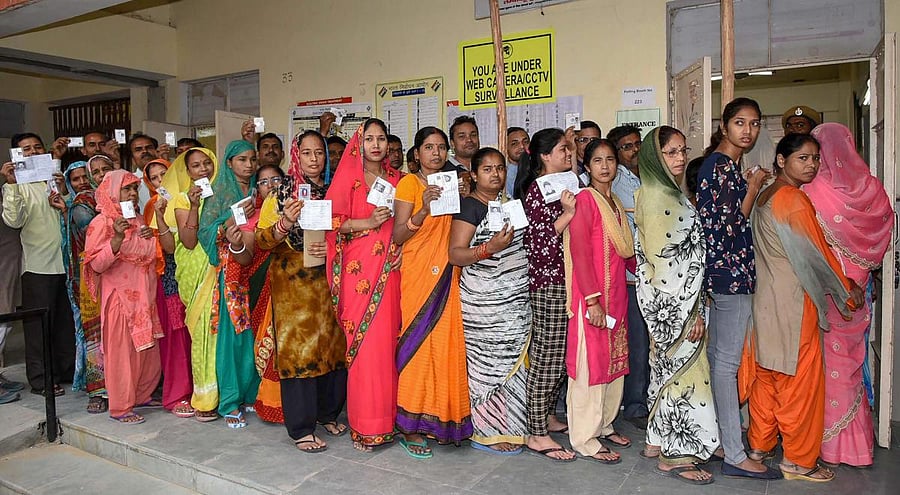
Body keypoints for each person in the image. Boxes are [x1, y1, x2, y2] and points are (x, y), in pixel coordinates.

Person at [742, 133, 864, 482]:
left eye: (815, 159)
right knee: (799, 384)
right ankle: (797, 460)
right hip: (793, 303)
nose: (811, 165)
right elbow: (817, 255)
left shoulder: (764, 193)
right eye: (802, 158)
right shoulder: (793, 199)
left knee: (767, 378)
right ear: (781, 161)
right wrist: (846, 289)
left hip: (763, 300)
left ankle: (758, 447)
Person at [697, 97, 780, 480]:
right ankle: (734, 452)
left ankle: (717, 439)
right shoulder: (721, 166)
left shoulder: (725, 166)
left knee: (719, 364)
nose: (748, 131)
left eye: (755, 124)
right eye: (740, 123)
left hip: (725, 276)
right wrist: (756, 185)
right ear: (725, 125)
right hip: (731, 277)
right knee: (727, 365)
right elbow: (732, 224)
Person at [804, 123, 893, 468]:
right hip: (858, 294)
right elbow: (883, 237)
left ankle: (829, 447)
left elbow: (807, 242)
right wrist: (858, 272)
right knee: (851, 369)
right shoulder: (874, 190)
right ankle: (856, 448)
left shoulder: (815, 189)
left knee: (828, 367)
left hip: (826, 291)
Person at [635, 126, 719, 484]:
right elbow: (668, 265)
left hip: (668, 304)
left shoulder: (664, 191)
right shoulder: (659, 197)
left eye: (683, 150)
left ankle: (656, 439)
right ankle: (676, 454)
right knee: (685, 377)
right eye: (670, 152)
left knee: (664, 370)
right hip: (677, 306)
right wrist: (692, 313)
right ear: (655, 156)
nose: (681, 157)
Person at [255, 131, 348, 450]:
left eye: (318, 153)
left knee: (332, 348)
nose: (313, 159)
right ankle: (301, 427)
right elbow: (262, 239)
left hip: (329, 280)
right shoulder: (281, 190)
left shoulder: (334, 189)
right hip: (293, 283)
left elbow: (345, 226)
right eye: (306, 153)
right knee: (300, 353)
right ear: (296, 156)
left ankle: (327, 413)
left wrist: (334, 243)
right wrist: (284, 222)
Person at [392, 127, 472, 458]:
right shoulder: (408, 184)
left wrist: (466, 196)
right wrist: (423, 209)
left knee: (447, 345)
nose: (436, 153)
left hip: (448, 273)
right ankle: (410, 426)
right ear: (417, 154)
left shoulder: (454, 181)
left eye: (441, 147)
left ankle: (444, 420)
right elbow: (397, 236)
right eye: (429, 147)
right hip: (419, 276)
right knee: (419, 347)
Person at [325, 119, 402, 452]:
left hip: (393, 272)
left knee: (389, 347)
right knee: (366, 349)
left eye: (381, 138)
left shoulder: (400, 180)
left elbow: (414, 224)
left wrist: (405, 250)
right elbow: (327, 221)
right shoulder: (350, 180)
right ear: (359, 144)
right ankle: (366, 426)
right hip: (359, 277)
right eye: (368, 138)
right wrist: (366, 222)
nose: (375, 144)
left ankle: (393, 420)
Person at [449, 147, 528, 455]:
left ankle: (511, 427)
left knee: (513, 370)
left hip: (515, 302)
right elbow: (455, 254)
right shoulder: (470, 207)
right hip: (483, 304)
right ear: (475, 174)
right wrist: (489, 248)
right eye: (487, 169)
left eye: (500, 169)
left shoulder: (510, 205)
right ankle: (485, 431)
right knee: (486, 370)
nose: (495, 174)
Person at [563, 138, 633, 464]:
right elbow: (579, 252)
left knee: (613, 365)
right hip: (591, 297)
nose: (605, 166)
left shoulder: (615, 202)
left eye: (610, 160)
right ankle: (584, 437)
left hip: (616, 295)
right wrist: (592, 301)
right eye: (597, 161)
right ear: (587, 167)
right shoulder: (585, 200)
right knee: (589, 368)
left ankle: (604, 425)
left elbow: (625, 252)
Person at [514, 128, 577, 462]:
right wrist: (567, 215)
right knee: (547, 357)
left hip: (567, 279)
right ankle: (536, 432)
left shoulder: (565, 183)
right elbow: (539, 245)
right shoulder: (539, 190)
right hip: (548, 281)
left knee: (559, 354)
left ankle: (548, 415)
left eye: (569, 149)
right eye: (563, 149)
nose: (568, 154)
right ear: (544, 156)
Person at [83, 170, 163, 424]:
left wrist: (151, 238)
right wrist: (116, 239)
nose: (131, 194)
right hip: (120, 298)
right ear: (112, 192)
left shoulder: (137, 219)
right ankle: (120, 406)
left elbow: (146, 257)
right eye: (126, 189)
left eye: (133, 189)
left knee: (146, 351)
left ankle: (141, 394)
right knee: (122, 353)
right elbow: (95, 264)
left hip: (144, 296)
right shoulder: (102, 222)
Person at [1, 132, 75, 397]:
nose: (33, 152)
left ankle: (67, 371)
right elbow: (13, 220)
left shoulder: (56, 177)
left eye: (37, 147)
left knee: (65, 322)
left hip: (65, 263)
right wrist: (10, 186)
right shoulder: (17, 185)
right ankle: (42, 380)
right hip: (37, 266)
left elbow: (72, 212)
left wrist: (63, 188)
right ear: (17, 156)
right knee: (39, 327)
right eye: (26, 149)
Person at [198, 140, 261, 429]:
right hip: (231, 272)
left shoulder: (257, 189)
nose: (248, 165)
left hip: (258, 267)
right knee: (232, 336)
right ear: (229, 163)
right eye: (242, 160)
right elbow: (205, 231)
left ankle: (251, 393)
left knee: (254, 331)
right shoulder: (219, 192)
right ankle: (229, 401)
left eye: (252, 159)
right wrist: (227, 224)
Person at [160, 147, 220, 422]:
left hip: (220, 273)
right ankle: (204, 398)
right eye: (196, 166)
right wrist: (195, 207)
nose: (203, 169)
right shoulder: (181, 200)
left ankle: (226, 394)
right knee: (202, 334)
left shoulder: (222, 195)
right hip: (194, 276)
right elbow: (188, 242)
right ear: (188, 172)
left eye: (207, 163)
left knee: (221, 336)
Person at [51, 161, 105, 413]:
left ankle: (126, 384)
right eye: (76, 179)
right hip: (89, 278)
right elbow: (83, 241)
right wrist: (66, 212)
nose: (83, 182)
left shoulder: (112, 200)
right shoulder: (79, 206)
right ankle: (98, 389)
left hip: (117, 274)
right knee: (94, 334)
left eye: (87, 176)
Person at [143, 158, 195, 419]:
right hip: (171, 281)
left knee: (193, 336)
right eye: (155, 177)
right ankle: (177, 394)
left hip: (195, 277)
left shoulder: (189, 199)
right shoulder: (154, 207)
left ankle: (197, 390)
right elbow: (165, 249)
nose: (162, 180)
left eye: (166, 173)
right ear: (149, 183)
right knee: (177, 338)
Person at [607, 124, 650, 430]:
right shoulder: (615, 182)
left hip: (653, 273)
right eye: (626, 146)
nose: (634, 150)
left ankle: (646, 399)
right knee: (635, 344)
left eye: (637, 144)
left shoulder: (649, 175)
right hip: (628, 276)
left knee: (650, 343)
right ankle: (633, 405)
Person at [246, 163, 283, 423]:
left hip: (285, 280)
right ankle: (265, 398)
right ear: (256, 187)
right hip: (258, 279)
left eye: (275, 179)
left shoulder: (289, 204)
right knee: (264, 338)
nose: (270, 186)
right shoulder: (250, 214)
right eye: (263, 181)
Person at [506, 127, 530, 197]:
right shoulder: (505, 174)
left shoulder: (536, 168)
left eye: (525, 142)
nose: (522, 146)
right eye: (514, 143)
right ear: (505, 147)